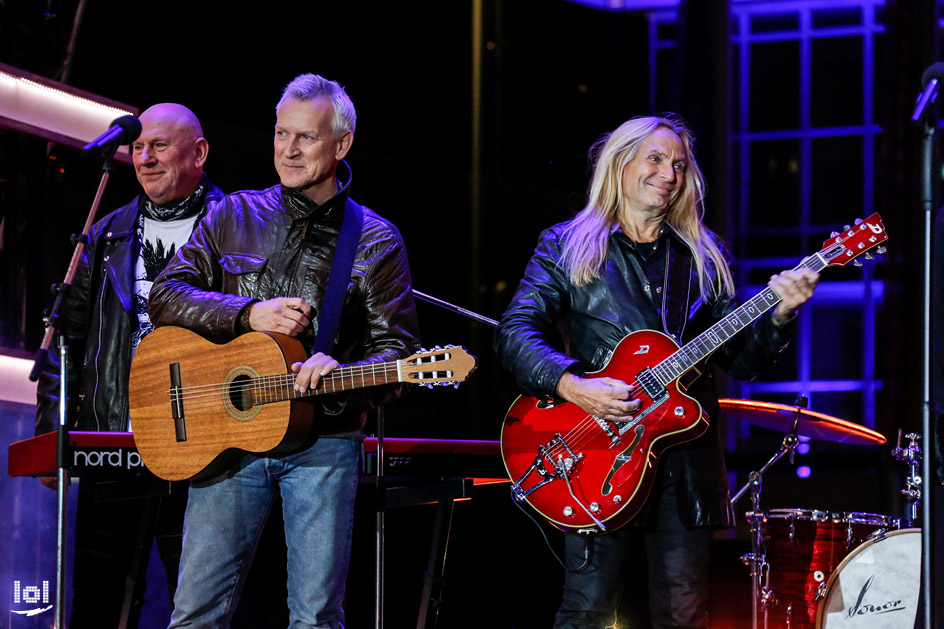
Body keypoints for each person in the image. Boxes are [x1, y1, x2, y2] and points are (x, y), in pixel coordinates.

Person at [494, 114, 819, 628]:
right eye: (656, 158)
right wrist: (573, 385)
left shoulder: (703, 258)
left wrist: (779, 314)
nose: (669, 173)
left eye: (679, 165)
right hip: (596, 454)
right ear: (620, 163)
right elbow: (514, 333)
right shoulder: (566, 245)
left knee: (684, 616)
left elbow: (741, 361)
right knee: (588, 612)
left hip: (684, 465)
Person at [147, 73, 421, 628]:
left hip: (323, 444)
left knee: (315, 619)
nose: (288, 150)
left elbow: (399, 353)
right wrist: (246, 314)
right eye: (280, 134)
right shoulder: (233, 214)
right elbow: (165, 295)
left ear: (341, 144)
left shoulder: (374, 238)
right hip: (226, 437)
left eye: (306, 138)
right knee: (194, 614)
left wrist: (341, 370)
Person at [35, 103, 219, 627]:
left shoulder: (237, 229)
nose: (145, 157)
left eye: (159, 145)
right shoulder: (105, 236)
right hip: (115, 445)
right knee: (97, 605)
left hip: (205, 452)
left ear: (198, 153)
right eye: (138, 147)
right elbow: (65, 338)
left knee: (201, 607)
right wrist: (54, 433)